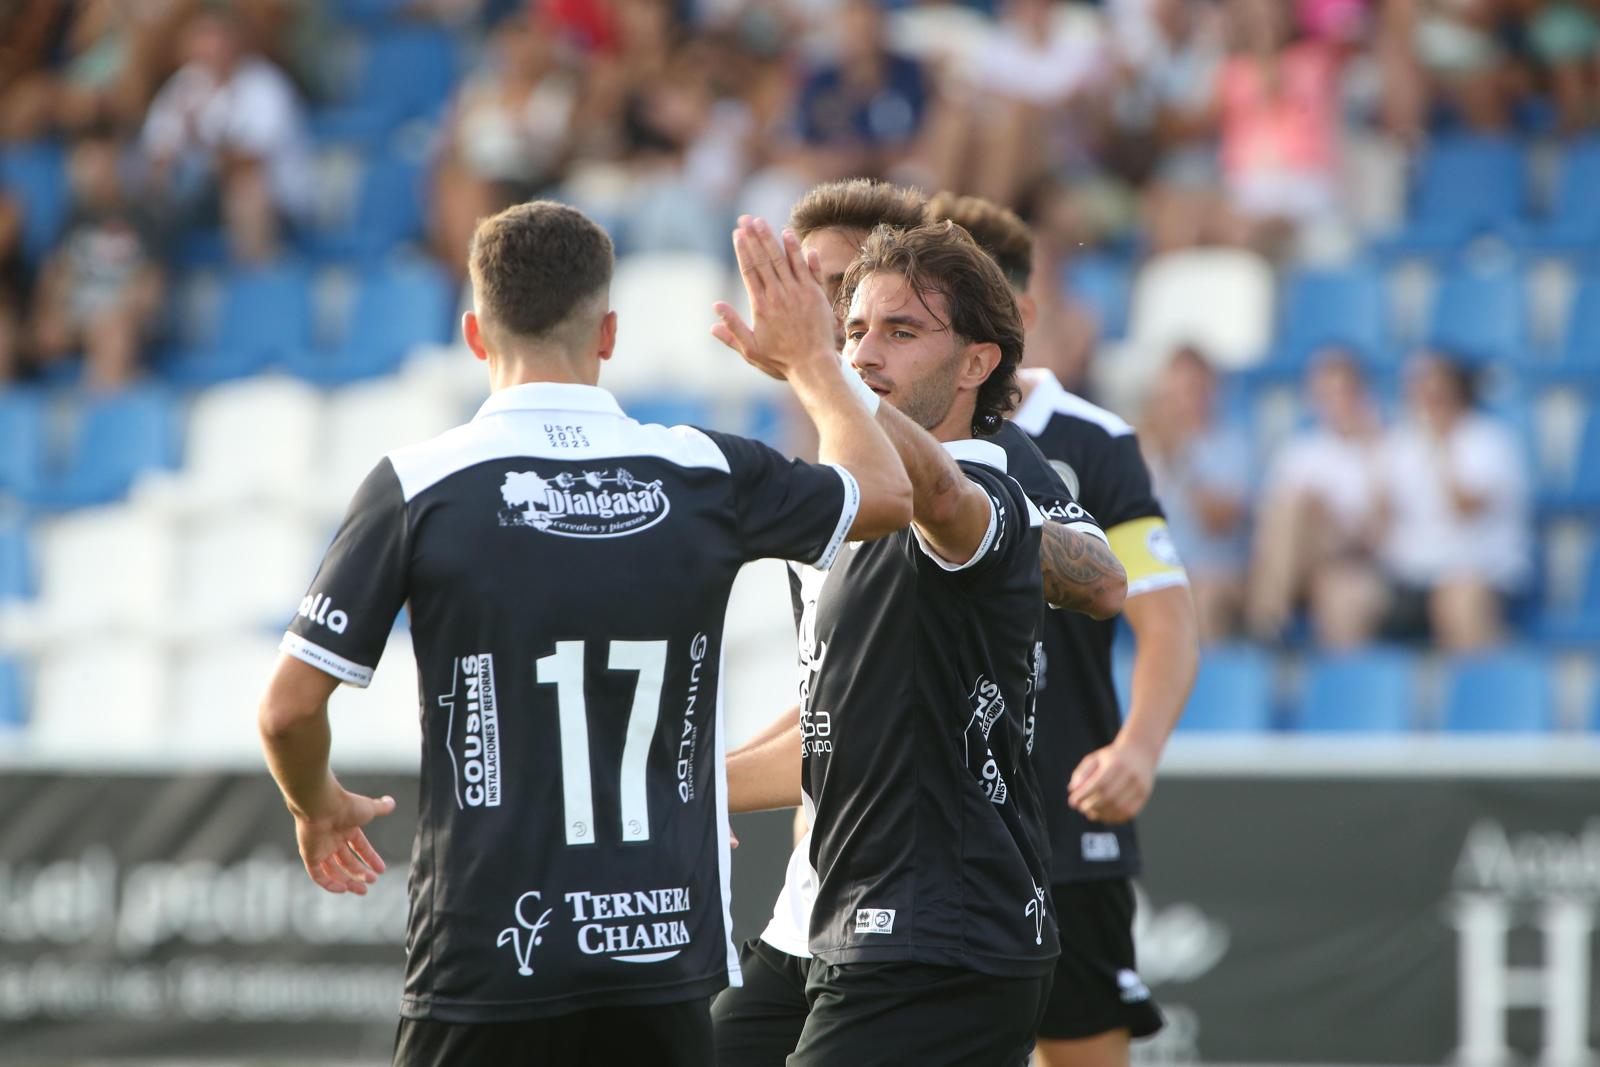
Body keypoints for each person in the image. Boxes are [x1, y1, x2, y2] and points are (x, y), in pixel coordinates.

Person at [256, 200, 914, 1067]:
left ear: (473, 334)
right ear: (608, 333)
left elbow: (288, 711)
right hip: (662, 957)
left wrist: (315, 803)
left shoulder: (419, 486)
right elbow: (890, 492)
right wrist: (811, 362)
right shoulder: (702, 469)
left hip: (487, 954)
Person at [714, 180, 1127, 1067]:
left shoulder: (988, 477)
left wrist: (816, 366)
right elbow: (840, 726)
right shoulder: (834, 504)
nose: (859, 347)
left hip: (942, 929)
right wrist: (684, 787)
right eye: (849, 324)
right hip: (835, 920)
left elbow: (962, 508)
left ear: (978, 362)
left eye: (897, 330)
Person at [930, 192, 1199, 1067]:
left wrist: (1138, 749)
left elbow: (1167, 622)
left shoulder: (1098, 443)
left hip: (1061, 810)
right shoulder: (889, 446)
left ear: (1018, 315)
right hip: (926, 817)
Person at [1332, 351, 1532, 650]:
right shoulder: (1397, 443)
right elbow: (1377, 529)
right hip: (1409, 580)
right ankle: (1355, 692)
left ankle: (1477, 690)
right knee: (1340, 593)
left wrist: (1440, 450)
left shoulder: (1490, 441)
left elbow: (1465, 508)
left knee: (1458, 598)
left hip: (1479, 579)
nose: (1426, 400)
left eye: (1434, 391)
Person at [139, 7, 312, 263]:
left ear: (237, 42)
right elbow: (156, 152)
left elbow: (250, 160)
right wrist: (173, 157)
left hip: (279, 203)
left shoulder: (263, 84)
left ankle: (255, 281)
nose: (210, 46)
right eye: (202, 37)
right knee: (146, 187)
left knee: (245, 189)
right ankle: (151, 274)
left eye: (217, 37)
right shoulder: (185, 83)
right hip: (203, 194)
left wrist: (198, 142)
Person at [1247, 348, 1387, 647]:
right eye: (1327, 394)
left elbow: (1380, 532)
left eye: (1344, 393)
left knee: (1337, 588)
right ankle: (1270, 616)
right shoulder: (1299, 450)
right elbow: (1270, 523)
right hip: (1300, 560)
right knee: (1294, 507)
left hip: (1354, 554)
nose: (1337, 403)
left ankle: (1267, 621)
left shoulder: (1384, 448)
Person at [1139, 344, 1253, 642]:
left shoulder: (1232, 445)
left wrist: (1180, 463)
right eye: (1177, 391)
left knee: (1202, 596)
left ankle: (1208, 685)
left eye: (1193, 389)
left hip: (1220, 571)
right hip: (1156, 570)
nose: (1185, 401)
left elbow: (1220, 521)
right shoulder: (1145, 446)